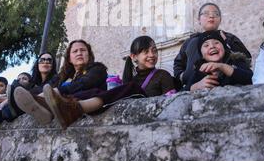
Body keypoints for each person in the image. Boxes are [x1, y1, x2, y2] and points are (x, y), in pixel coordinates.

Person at [41, 36, 176, 130]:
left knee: (130, 87)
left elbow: (170, 103)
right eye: (146, 52)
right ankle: (53, 106)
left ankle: (74, 109)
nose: (152, 55)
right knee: (99, 92)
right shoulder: (130, 78)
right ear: (134, 57)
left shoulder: (163, 75)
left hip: (148, 112)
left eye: (154, 51)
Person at [13, 40, 108, 125]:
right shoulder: (63, 76)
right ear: (69, 58)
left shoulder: (98, 68)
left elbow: (85, 83)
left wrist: (59, 90)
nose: (79, 53)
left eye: (83, 50)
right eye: (75, 51)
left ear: (89, 54)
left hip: (83, 101)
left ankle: (49, 109)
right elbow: (45, 87)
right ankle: (43, 112)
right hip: (57, 102)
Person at [173, 2, 251, 90]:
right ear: (199, 19)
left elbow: (245, 59)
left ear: (220, 19)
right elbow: (178, 63)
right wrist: (183, 77)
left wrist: (227, 43)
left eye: (216, 14)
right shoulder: (189, 42)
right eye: (206, 14)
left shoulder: (230, 38)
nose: (211, 16)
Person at [186, 30, 253, 91]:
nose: (212, 46)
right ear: (202, 55)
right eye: (206, 45)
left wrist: (223, 67)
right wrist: (195, 86)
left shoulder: (236, 61)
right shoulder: (200, 71)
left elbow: (251, 78)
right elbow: (182, 91)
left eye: (216, 43)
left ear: (224, 48)